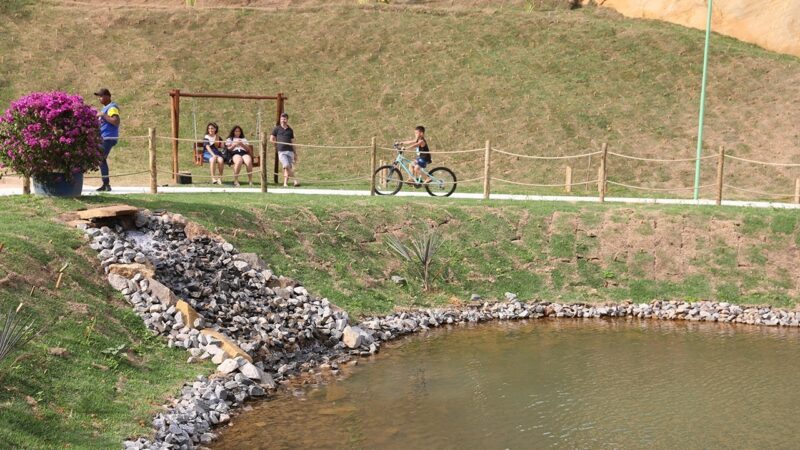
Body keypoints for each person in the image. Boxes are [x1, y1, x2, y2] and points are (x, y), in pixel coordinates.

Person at [95, 88, 120, 192]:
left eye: (101, 96)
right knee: (101, 159)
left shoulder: (112, 108)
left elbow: (115, 121)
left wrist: (103, 115)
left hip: (108, 137)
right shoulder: (106, 108)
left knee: (101, 159)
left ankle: (106, 184)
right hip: (104, 137)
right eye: (99, 97)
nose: (99, 99)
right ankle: (105, 184)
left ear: (108, 96)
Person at [270, 112, 298, 187]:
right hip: (281, 151)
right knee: (286, 165)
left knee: (287, 168)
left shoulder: (290, 130)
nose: (283, 120)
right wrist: (276, 145)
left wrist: (295, 153)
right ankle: (295, 180)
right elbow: (271, 139)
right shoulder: (277, 128)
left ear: (287, 120)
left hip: (290, 151)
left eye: (284, 119)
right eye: (282, 119)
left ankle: (285, 183)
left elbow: (292, 142)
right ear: (280, 119)